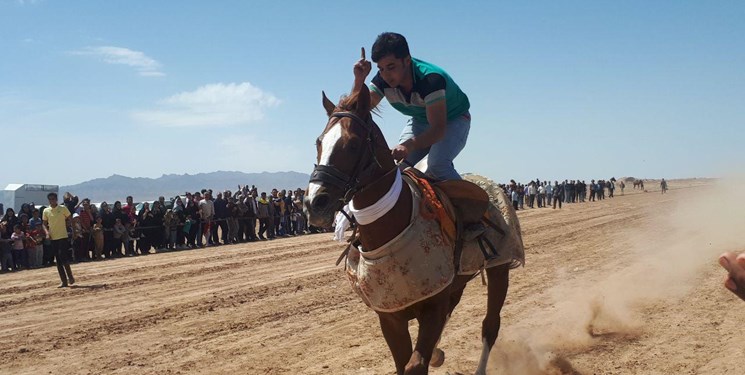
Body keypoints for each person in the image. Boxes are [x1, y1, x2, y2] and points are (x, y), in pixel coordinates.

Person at [353, 32, 471, 181]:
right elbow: (358, 109)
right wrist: (359, 79)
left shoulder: (431, 79)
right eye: (381, 69)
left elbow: (438, 130)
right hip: (421, 121)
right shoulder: (382, 80)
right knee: (396, 169)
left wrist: (408, 146)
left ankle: (472, 204)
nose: (386, 75)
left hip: (453, 120)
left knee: (437, 166)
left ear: (407, 60)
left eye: (391, 67)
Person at [42, 192, 75, 288]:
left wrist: (74, 231)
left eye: (53, 199)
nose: (52, 201)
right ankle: (64, 281)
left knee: (63, 256)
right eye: (50, 199)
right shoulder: (46, 211)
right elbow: (44, 224)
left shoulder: (63, 208)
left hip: (63, 236)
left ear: (56, 199)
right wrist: (47, 233)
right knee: (58, 259)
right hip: (53, 238)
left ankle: (70, 277)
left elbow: (70, 218)